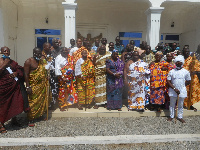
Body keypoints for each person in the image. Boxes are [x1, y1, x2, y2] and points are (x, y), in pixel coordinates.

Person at [0, 47, 27, 133]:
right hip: (3, 87)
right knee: (2, 106)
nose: (6, 52)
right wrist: (4, 65)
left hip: (14, 86)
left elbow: (20, 69)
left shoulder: (13, 62)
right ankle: (1, 124)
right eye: (5, 51)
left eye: (8, 51)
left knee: (14, 103)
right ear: (1, 52)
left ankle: (14, 119)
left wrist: (16, 73)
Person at [24, 47, 48, 126]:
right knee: (33, 102)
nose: (38, 55)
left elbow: (45, 71)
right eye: (36, 53)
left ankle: (39, 115)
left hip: (42, 85)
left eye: (39, 53)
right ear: (33, 53)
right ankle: (31, 118)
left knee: (41, 100)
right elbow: (26, 74)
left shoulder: (42, 61)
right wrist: (27, 86)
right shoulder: (28, 61)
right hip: (33, 85)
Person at [167, 55, 191, 123]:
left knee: (180, 104)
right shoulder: (171, 71)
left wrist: (182, 86)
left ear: (182, 63)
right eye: (177, 62)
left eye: (180, 62)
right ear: (175, 63)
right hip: (173, 90)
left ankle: (180, 117)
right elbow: (168, 81)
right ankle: (171, 116)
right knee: (172, 104)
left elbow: (189, 80)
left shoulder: (186, 72)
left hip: (182, 91)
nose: (178, 63)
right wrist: (174, 88)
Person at [183, 47, 200, 111]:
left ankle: (190, 105)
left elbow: (198, 68)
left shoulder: (193, 59)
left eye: (187, 51)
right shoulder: (181, 59)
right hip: (182, 78)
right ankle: (183, 104)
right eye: (185, 51)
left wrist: (195, 72)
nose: (186, 52)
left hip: (191, 78)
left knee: (190, 91)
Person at [49, 38, 62, 109]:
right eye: (55, 42)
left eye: (57, 42)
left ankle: (61, 102)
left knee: (60, 87)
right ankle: (53, 103)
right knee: (54, 88)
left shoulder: (61, 50)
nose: (56, 43)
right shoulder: (51, 51)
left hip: (61, 72)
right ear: (53, 44)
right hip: (53, 73)